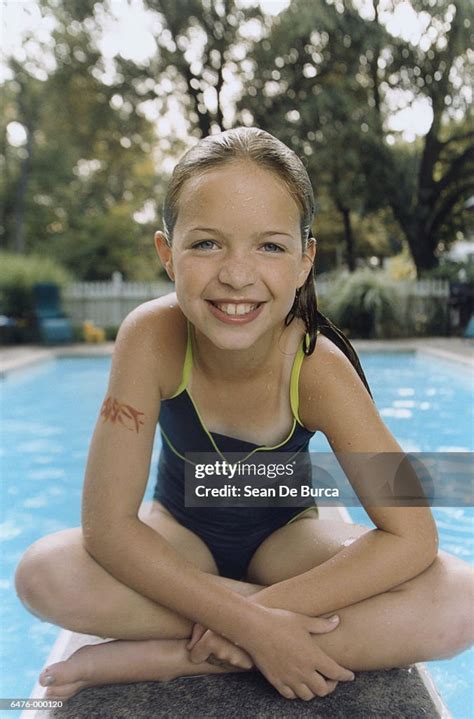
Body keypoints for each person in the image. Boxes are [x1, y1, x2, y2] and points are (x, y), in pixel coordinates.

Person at [15, 127, 473, 703]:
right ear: (167, 253)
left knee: (462, 600)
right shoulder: (151, 339)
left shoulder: (317, 367)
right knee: (42, 573)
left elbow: (414, 534)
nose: (236, 274)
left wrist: (267, 614)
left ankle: (176, 656)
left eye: (270, 246)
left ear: (305, 260)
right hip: (179, 537)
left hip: (287, 540)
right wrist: (256, 625)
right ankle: (247, 640)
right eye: (207, 244)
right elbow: (107, 527)